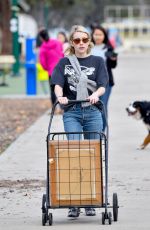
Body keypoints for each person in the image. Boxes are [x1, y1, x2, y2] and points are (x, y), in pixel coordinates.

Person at [51, 25, 108, 217]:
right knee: (74, 155)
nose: (81, 43)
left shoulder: (98, 61)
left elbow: (102, 86)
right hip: (72, 112)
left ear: (89, 42)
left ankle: (92, 199)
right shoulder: (63, 63)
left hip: (92, 111)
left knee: (93, 155)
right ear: (72, 43)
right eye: (77, 40)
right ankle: (74, 200)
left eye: (84, 40)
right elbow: (58, 84)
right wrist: (60, 97)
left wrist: (96, 95)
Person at [91, 25, 117, 130]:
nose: (97, 37)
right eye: (96, 34)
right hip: (91, 82)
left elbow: (113, 66)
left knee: (103, 105)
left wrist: (113, 59)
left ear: (104, 36)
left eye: (100, 34)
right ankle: (94, 129)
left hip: (106, 82)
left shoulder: (108, 48)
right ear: (92, 35)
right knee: (93, 106)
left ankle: (102, 130)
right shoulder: (88, 47)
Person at [38, 28, 64, 112]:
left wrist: (47, 68)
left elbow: (42, 62)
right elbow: (62, 53)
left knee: (53, 90)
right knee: (62, 87)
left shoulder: (43, 48)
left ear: (41, 38)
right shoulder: (57, 43)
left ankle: (54, 108)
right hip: (61, 69)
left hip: (51, 71)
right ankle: (63, 107)